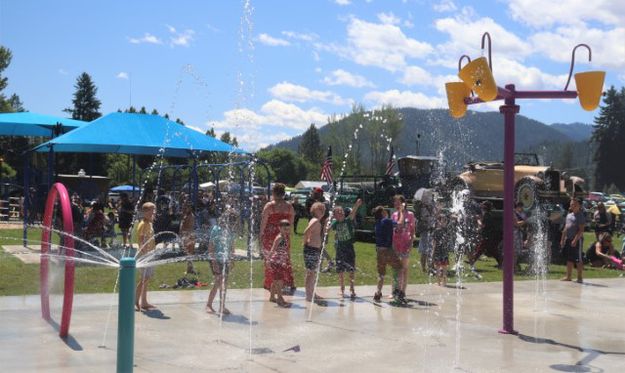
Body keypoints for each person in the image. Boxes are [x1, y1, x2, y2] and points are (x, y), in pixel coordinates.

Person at [260, 183, 296, 294]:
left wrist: (261, 234)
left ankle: (271, 283)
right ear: (284, 193)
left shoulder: (270, 206)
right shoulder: (289, 206)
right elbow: (292, 221)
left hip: (271, 235)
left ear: (274, 193)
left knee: (270, 258)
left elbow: (263, 222)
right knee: (284, 257)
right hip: (284, 235)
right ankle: (286, 282)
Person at [206, 209, 238, 315]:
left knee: (224, 283)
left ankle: (222, 306)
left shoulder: (230, 231)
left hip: (225, 260)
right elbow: (211, 247)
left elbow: (232, 247)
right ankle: (209, 304)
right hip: (216, 259)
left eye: (233, 221)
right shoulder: (216, 229)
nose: (232, 223)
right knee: (218, 282)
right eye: (230, 220)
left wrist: (232, 259)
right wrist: (214, 263)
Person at [331, 199, 363, 299]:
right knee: (340, 269)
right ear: (335, 216)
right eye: (338, 212)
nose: (341, 212)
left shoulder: (348, 221)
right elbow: (328, 229)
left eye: (341, 211)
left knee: (351, 268)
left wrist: (356, 205)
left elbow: (352, 213)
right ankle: (342, 288)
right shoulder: (335, 223)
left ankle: (352, 288)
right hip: (340, 248)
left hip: (349, 248)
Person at [373, 205, 401, 303]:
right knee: (399, 267)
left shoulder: (377, 223)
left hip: (379, 251)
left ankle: (378, 292)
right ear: (382, 213)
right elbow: (398, 224)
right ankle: (397, 290)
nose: (386, 212)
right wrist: (401, 213)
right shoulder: (386, 221)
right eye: (384, 211)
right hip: (387, 250)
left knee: (381, 273)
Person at [391, 195, 415, 302]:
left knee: (404, 269)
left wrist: (411, 243)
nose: (395, 204)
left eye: (397, 202)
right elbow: (392, 230)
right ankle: (394, 290)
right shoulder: (394, 215)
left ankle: (403, 291)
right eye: (394, 202)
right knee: (396, 269)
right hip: (396, 245)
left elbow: (413, 230)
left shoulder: (410, 215)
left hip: (405, 244)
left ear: (403, 203)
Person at [303, 201, 327, 304]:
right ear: (314, 210)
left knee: (312, 273)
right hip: (311, 249)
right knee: (310, 273)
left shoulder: (317, 221)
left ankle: (312, 293)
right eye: (319, 209)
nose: (322, 211)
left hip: (315, 249)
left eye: (323, 209)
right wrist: (305, 242)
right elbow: (306, 231)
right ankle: (309, 295)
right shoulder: (315, 221)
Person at [306, 187, 334, 271]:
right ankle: (326, 263)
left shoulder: (324, 203)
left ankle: (325, 264)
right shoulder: (311, 201)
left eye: (316, 193)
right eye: (314, 193)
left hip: (321, 227)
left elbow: (326, 216)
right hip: (314, 226)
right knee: (318, 246)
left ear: (320, 194)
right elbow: (308, 211)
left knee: (319, 246)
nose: (314, 194)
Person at [135, 202, 157, 311]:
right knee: (144, 278)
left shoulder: (149, 223)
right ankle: (135, 300)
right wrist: (146, 254)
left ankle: (144, 302)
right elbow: (141, 240)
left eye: (154, 210)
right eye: (152, 210)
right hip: (145, 255)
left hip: (150, 254)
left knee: (146, 279)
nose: (154, 212)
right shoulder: (143, 224)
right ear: (145, 212)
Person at [560, 197, 586, 283]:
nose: (573, 206)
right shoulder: (569, 215)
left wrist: (575, 240)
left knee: (578, 259)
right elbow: (566, 228)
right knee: (569, 259)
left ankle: (579, 277)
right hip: (568, 239)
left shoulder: (580, 216)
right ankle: (568, 276)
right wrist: (563, 239)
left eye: (575, 204)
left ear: (579, 206)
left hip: (577, 240)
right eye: (572, 204)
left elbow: (581, 230)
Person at [268, 219, 292, 308]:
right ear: (280, 228)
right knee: (279, 281)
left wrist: (286, 260)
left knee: (275, 280)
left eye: (288, 229)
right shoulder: (279, 238)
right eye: (285, 229)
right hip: (276, 261)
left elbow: (285, 250)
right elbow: (273, 249)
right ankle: (280, 298)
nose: (286, 231)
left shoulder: (285, 237)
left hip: (280, 261)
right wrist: (268, 260)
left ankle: (272, 297)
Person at [431, 214, 450, 287]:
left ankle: (439, 283)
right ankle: (444, 283)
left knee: (438, 267)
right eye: (443, 221)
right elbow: (447, 241)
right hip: (445, 251)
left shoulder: (436, 231)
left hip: (437, 251)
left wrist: (432, 252)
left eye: (444, 221)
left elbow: (434, 243)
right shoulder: (447, 231)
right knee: (444, 267)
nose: (444, 222)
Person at [179, 202, 197, 275]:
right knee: (188, 253)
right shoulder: (186, 215)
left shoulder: (190, 216)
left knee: (190, 253)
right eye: (186, 207)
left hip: (189, 236)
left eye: (187, 207)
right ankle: (190, 268)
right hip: (187, 235)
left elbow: (188, 227)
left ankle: (190, 269)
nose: (186, 208)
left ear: (191, 208)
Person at [513, 202, 527, 272]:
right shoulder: (513, 213)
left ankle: (514, 265)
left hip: (520, 234)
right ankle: (512, 266)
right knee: (513, 251)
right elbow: (516, 224)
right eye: (520, 207)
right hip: (514, 234)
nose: (521, 208)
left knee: (517, 252)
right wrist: (525, 221)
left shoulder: (523, 213)